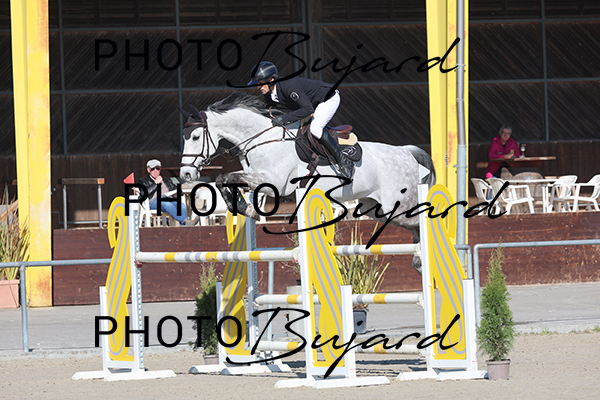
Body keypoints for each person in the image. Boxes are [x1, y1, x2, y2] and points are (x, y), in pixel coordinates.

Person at [248, 61, 355, 179]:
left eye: (260, 83)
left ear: (271, 80)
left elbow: (307, 109)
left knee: (315, 129)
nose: (258, 87)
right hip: (312, 103)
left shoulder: (288, 87)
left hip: (327, 99)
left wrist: (283, 118)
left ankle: (343, 161)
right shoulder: (270, 93)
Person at [138, 159, 194, 226]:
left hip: (168, 199)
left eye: (157, 168)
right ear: (148, 170)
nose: (155, 171)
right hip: (152, 202)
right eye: (153, 169)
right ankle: (185, 221)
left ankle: (184, 227)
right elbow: (144, 194)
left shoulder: (166, 180)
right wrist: (156, 184)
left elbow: (177, 190)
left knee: (181, 205)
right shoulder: (143, 181)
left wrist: (176, 194)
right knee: (166, 204)